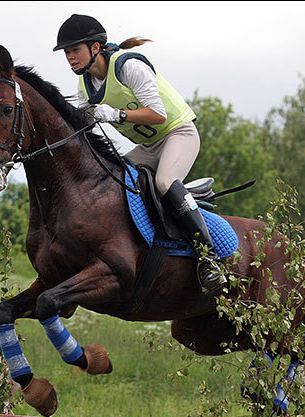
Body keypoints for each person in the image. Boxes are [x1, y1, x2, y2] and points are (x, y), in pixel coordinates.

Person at [53, 14, 225, 295]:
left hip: (177, 133)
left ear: (95, 47)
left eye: (75, 50)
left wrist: (117, 114)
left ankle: (209, 259)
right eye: (67, 53)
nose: (70, 58)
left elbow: (158, 115)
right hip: (148, 147)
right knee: (114, 182)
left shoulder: (128, 66)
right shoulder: (84, 86)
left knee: (165, 182)